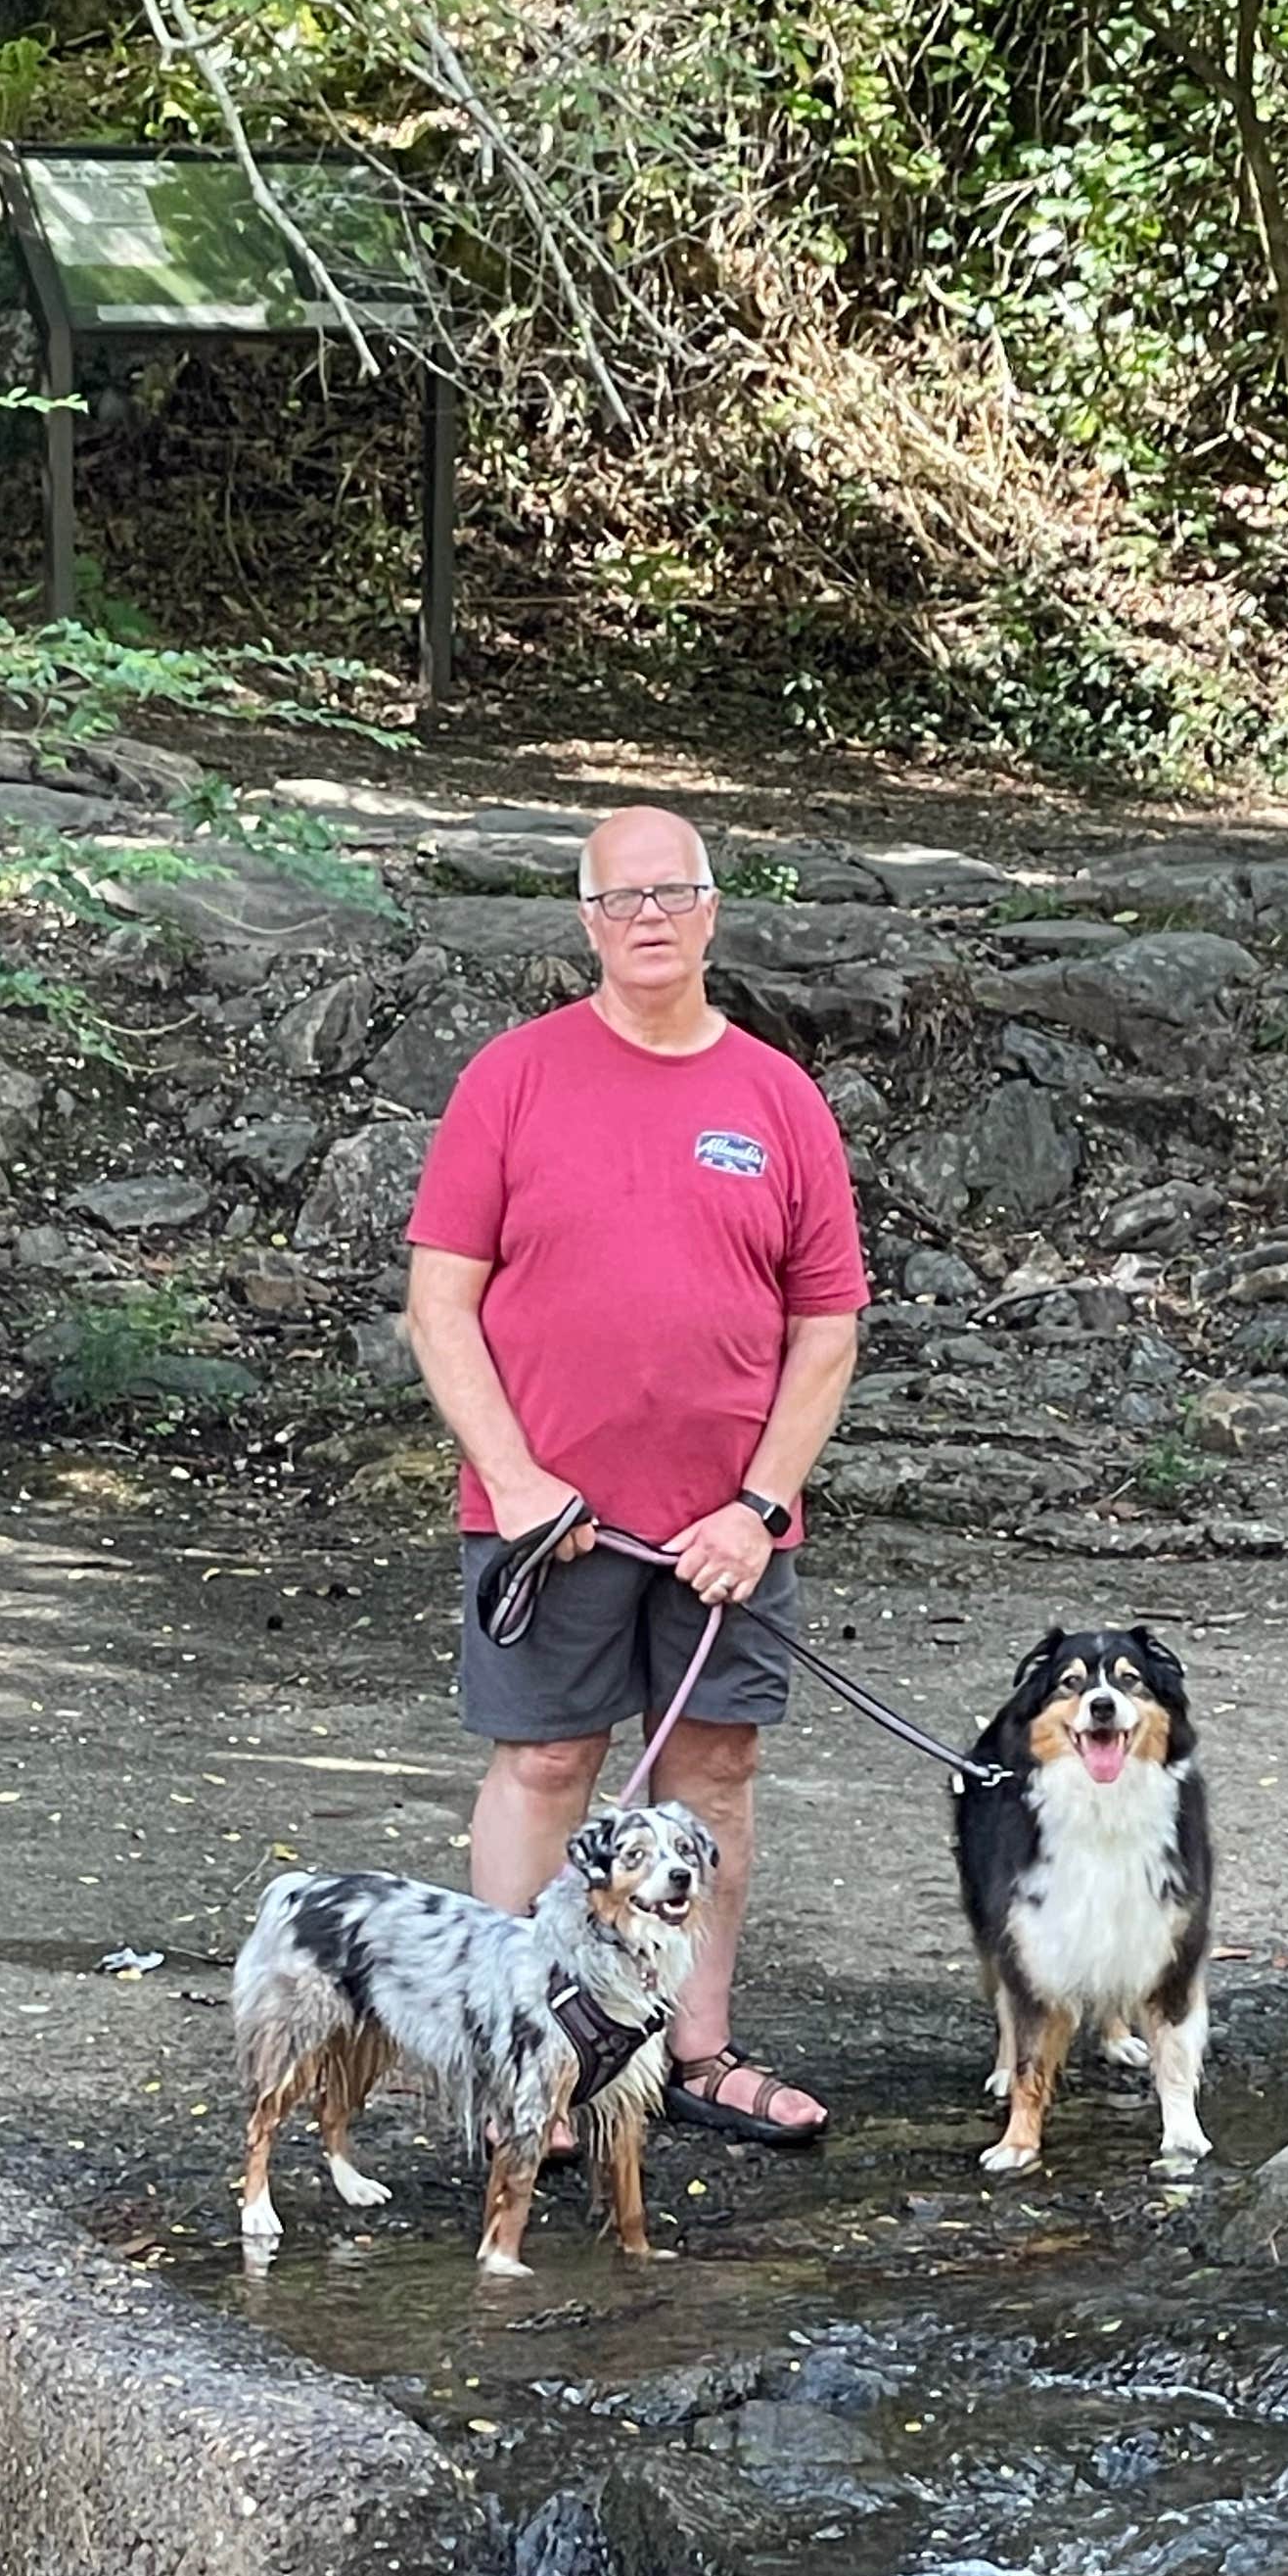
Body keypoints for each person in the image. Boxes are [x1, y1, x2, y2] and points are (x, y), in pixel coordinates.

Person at [403, 804, 866, 2145]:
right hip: (549, 1521)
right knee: (549, 1761)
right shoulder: (513, 1078)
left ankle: (692, 2054)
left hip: (730, 1530)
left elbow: (826, 1328)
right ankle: (529, 2066)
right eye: (621, 898)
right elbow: (440, 1304)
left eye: (671, 893)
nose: (648, 917)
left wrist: (759, 1507)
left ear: (712, 909)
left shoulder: (778, 1098)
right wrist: (517, 1479)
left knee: (713, 1770)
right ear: (588, 922)